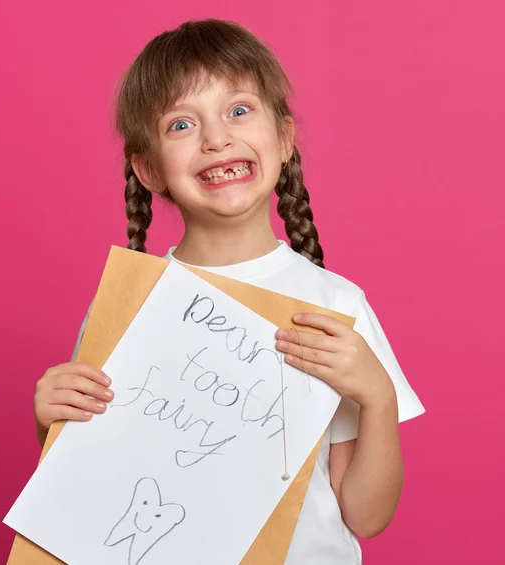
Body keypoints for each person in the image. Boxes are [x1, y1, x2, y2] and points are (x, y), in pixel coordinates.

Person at [33, 18, 425, 564]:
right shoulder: (126, 306)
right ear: (148, 170)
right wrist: (49, 421)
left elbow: (365, 516)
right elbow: (99, 478)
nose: (217, 138)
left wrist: (378, 399)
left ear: (283, 138)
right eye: (181, 125)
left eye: (239, 111)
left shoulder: (336, 305)